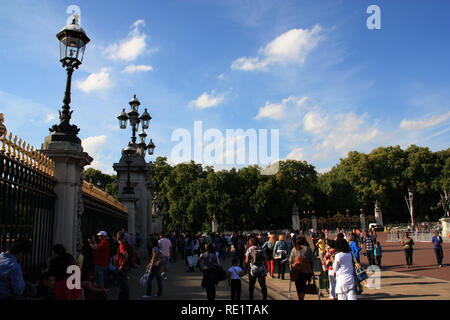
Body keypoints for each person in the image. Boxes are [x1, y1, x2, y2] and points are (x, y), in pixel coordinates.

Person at [115, 232, 130, 300]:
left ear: (117, 238)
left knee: (123, 285)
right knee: (123, 285)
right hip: (123, 267)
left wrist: (121, 265)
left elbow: (126, 254)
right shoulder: (123, 244)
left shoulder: (121, 245)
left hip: (122, 268)